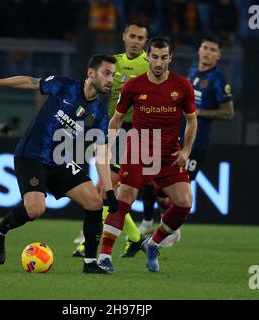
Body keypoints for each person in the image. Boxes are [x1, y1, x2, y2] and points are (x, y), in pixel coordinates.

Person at [0, 54, 119, 274]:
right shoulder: (64, 86)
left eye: (113, 75)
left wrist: (109, 190)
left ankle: (90, 263)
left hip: (60, 160)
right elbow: (31, 82)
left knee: (95, 203)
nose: (111, 80)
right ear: (91, 73)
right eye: (106, 73)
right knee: (35, 209)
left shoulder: (98, 113)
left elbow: (101, 152)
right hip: (31, 155)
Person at [98, 37, 197, 273]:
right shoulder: (133, 86)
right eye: (155, 57)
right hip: (139, 148)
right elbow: (116, 119)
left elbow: (192, 121)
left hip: (168, 153)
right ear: (148, 57)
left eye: (164, 57)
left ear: (170, 58)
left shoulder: (182, 86)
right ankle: (104, 256)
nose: (159, 62)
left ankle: (152, 244)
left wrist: (186, 150)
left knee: (184, 203)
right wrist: (110, 146)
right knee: (124, 198)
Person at [72, 21, 151, 259]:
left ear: (145, 42)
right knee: (108, 190)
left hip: (131, 132)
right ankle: (136, 238)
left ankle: (91, 241)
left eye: (141, 38)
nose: (136, 41)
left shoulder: (149, 66)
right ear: (124, 37)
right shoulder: (112, 64)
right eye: (133, 36)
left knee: (103, 189)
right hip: (108, 129)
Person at [157, 35, 234, 247]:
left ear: (218, 56)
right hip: (177, 140)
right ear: (199, 50)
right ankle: (169, 227)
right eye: (205, 47)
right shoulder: (192, 73)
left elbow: (228, 112)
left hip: (196, 145)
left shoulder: (218, 78)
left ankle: (171, 232)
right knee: (161, 190)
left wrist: (200, 112)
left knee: (179, 190)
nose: (208, 52)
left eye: (213, 49)